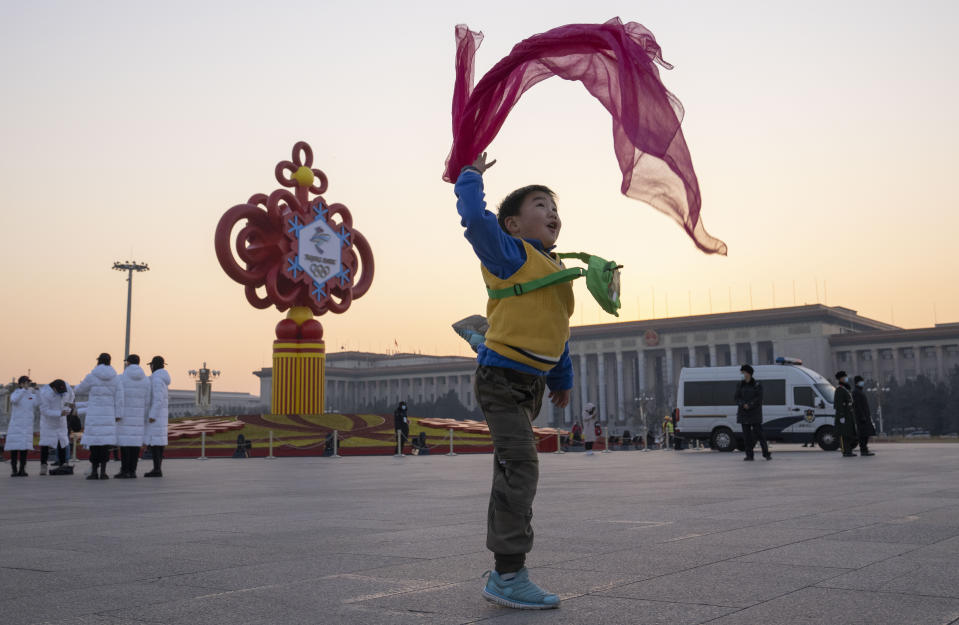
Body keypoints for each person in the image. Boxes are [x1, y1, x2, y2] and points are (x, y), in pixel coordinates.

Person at [455, 153, 569, 609]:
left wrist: (562, 377)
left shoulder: (557, 271)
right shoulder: (509, 253)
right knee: (520, 465)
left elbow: (559, 328)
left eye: (555, 208)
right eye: (540, 205)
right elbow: (475, 221)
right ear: (514, 225)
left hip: (531, 384)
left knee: (511, 467)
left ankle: (504, 569)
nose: (553, 213)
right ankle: (507, 574)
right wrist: (471, 178)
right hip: (501, 378)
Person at [75, 353, 123, 480]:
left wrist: (79, 385)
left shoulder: (92, 376)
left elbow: (79, 390)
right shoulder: (116, 378)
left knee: (95, 445)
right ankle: (103, 472)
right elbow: (119, 398)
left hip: (94, 415)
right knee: (105, 445)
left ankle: (94, 472)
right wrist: (118, 414)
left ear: (98, 362)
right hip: (108, 415)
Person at [116, 354, 150, 478]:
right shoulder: (146, 380)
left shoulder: (121, 378)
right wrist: (145, 416)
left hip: (124, 416)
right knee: (135, 445)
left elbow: (118, 398)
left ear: (128, 363)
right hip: (139, 417)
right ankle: (132, 471)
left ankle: (124, 470)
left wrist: (117, 413)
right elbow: (148, 400)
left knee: (125, 445)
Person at [735, 364, 771, 461]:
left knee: (760, 435)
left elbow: (759, 398)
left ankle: (766, 454)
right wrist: (743, 404)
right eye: (742, 373)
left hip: (755, 414)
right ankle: (749, 455)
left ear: (749, 373)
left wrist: (749, 405)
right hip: (743, 414)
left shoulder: (757, 384)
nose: (743, 374)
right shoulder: (740, 384)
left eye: (744, 372)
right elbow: (736, 397)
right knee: (746, 437)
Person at [38, 379, 72, 475]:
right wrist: (59, 413)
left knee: (62, 442)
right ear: (53, 388)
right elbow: (44, 411)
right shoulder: (44, 394)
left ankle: (62, 464)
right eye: (59, 392)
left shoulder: (67, 388)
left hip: (61, 422)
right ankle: (43, 465)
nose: (61, 393)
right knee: (46, 443)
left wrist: (67, 409)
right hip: (48, 423)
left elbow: (70, 399)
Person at [144, 355, 170, 477]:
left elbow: (158, 399)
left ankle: (157, 469)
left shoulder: (157, 380)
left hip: (156, 417)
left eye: (151, 365)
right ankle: (157, 468)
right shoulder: (160, 379)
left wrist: (152, 415)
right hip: (160, 416)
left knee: (156, 444)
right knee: (158, 444)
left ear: (154, 366)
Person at [5, 376, 37, 477]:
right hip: (16, 425)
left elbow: (36, 403)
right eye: (25, 383)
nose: (27, 384)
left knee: (24, 449)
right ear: (21, 384)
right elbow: (14, 400)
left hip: (26, 426)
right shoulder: (16, 393)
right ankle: (14, 470)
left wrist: (37, 392)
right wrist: (23, 390)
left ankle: (22, 469)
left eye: (28, 383)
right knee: (14, 449)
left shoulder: (30, 395)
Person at [834, 371, 858, 457]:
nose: (846, 378)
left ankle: (849, 450)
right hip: (843, 415)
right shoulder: (839, 389)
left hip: (848, 414)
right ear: (840, 378)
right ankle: (845, 451)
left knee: (849, 433)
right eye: (844, 377)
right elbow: (838, 404)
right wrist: (841, 416)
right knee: (843, 435)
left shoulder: (845, 389)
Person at [852, 376, 876, 456]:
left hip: (865, 415)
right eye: (861, 381)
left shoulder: (860, 391)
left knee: (866, 433)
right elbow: (857, 406)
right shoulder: (855, 392)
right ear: (857, 382)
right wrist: (862, 416)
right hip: (861, 417)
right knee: (863, 434)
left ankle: (865, 449)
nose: (863, 383)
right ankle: (863, 450)